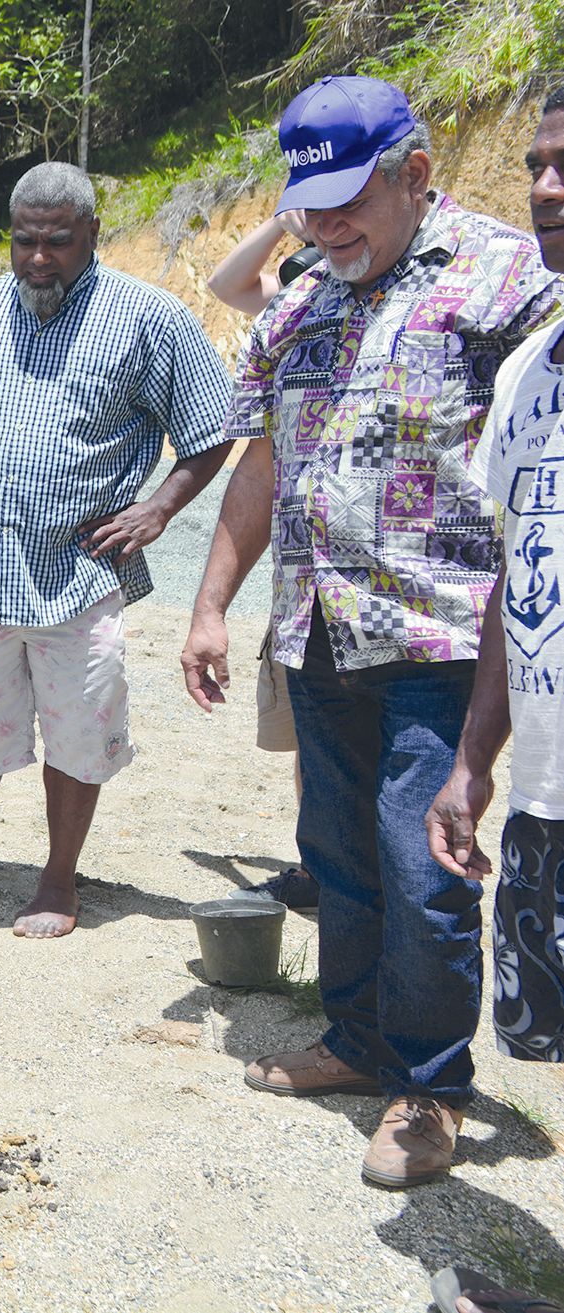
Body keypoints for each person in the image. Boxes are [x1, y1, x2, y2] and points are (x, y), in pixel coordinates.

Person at [180, 75, 562, 1190]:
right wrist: (210, 601)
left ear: (416, 174)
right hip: (317, 630)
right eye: (308, 204)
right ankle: (355, 1039)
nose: (326, 224)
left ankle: (430, 1087)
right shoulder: (301, 297)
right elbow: (262, 462)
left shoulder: (509, 284)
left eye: (349, 199)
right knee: (338, 855)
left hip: (444, 640)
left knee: (423, 865)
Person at [0, 160, 233, 939]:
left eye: (57, 242)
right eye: (23, 242)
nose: (38, 259)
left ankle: (56, 877)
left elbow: (212, 430)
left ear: (91, 236)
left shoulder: (149, 318)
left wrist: (157, 509)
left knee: (79, 731)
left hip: (83, 577)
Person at [423, 85, 564, 1313]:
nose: (547, 188)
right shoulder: (528, 371)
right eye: (537, 165)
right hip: (545, 794)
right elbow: (508, 581)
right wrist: (473, 762)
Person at [205, 211, 325, 909]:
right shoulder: (297, 281)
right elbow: (227, 283)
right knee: (313, 734)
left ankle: (338, 871)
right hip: (297, 567)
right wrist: (284, 221)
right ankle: (316, 866)